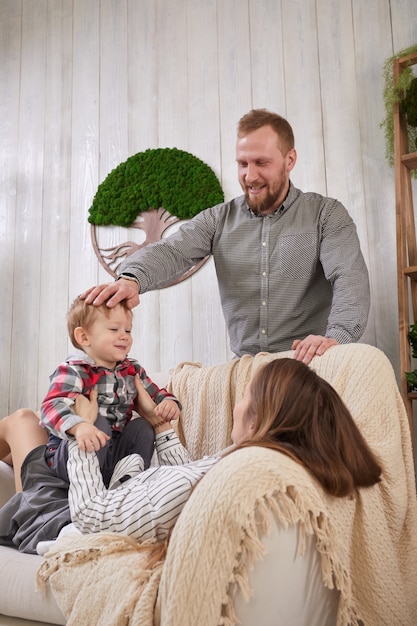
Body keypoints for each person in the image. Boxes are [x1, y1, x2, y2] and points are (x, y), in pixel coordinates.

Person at [0, 357, 381, 555]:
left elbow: (91, 517)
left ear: (263, 415)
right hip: (101, 490)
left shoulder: (228, 476)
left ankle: (20, 499)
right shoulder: (242, 464)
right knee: (25, 427)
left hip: (60, 516)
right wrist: (160, 425)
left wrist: (83, 433)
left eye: (244, 395)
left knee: (20, 420)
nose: (235, 406)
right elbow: (180, 482)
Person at [81, 109, 370, 365]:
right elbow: (172, 251)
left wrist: (337, 339)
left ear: (289, 159)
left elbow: (349, 277)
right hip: (247, 372)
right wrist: (132, 278)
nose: (250, 176)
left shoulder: (325, 214)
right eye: (243, 164)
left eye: (261, 163)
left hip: (310, 364)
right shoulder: (217, 219)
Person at [40, 296, 181, 486]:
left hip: (114, 450)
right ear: (84, 337)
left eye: (128, 330)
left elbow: (154, 393)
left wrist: (168, 402)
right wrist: (79, 426)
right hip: (72, 454)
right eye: (114, 329)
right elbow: (50, 407)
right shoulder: (73, 370)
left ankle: (129, 481)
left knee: (142, 428)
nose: (124, 336)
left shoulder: (132, 369)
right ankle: (90, 483)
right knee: (98, 422)